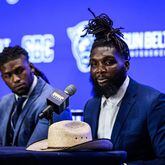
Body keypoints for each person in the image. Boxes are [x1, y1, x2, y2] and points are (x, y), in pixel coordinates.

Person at [83, 9, 165, 164]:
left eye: (108, 62)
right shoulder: (90, 107)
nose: (100, 70)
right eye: (94, 64)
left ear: (126, 65)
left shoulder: (153, 102)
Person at [0, 45, 72, 146]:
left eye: (19, 71)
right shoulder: (3, 103)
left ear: (31, 67)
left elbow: (37, 153)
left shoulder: (54, 102)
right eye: (8, 75)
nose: (15, 79)